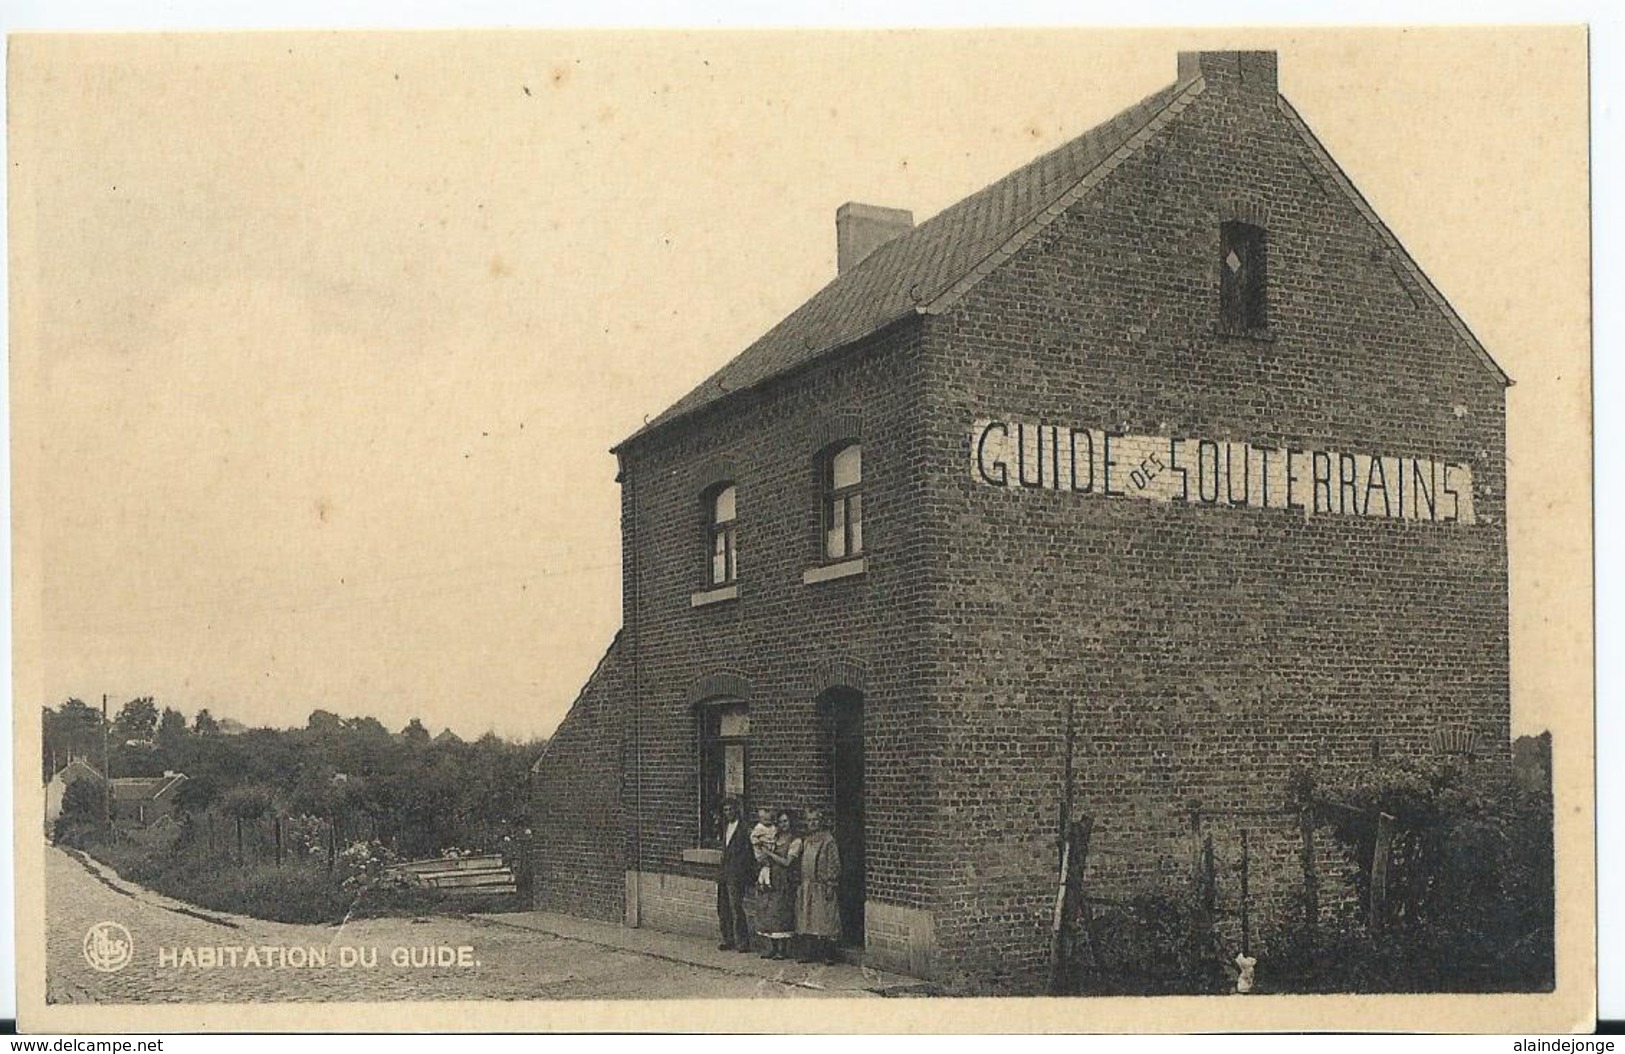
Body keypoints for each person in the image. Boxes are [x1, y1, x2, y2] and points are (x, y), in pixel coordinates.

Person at [795, 808, 843, 964]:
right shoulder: (807, 840)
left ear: (821, 821)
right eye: (809, 820)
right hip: (808, 885)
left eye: (815, 820)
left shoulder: (828, 840)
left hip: (822, 886)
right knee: (808, 919)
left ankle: (828, 953)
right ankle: (810, 952)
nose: (812, 823)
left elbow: (833, 864)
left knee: (825, 920)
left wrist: (831, 883)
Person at [754, 808, 802, 960]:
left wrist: (769, 854)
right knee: (769, 911)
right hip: (772, 877)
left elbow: (787, 862)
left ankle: (783, 949)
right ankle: (772, 947)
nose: (783, 825)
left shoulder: (795, 841)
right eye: (780, 822)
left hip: (784, 879)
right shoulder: (775, 837)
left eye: (786, 821)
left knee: (782, 912)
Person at [715, 798, 754, 952]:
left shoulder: (744, 829)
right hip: (724, 873)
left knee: (736, 908)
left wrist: (742, 870)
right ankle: (728, 939)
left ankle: (742, 942)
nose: (728, 813)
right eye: (725, 810)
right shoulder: (725, 827)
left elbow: (748, 854)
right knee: (723, 908)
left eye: (731, 809)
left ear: (736, 810)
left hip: (736, 874)